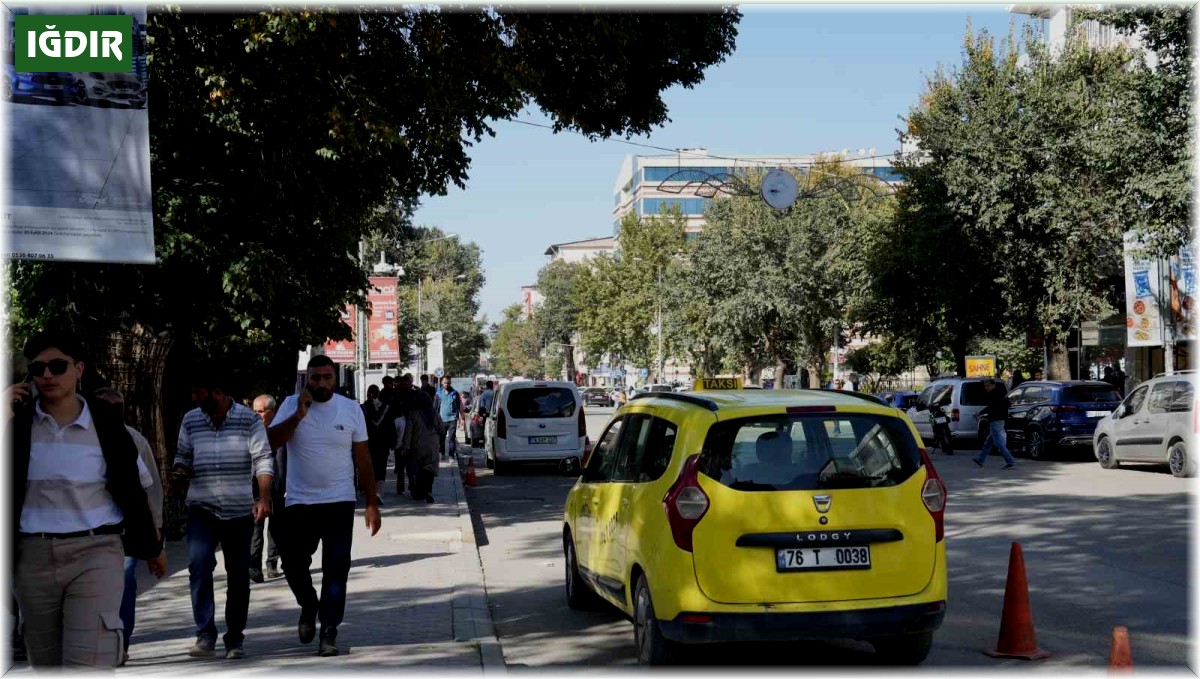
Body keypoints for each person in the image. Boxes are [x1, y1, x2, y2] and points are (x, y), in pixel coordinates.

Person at [6, 330, 163, 668]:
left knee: (88, 662)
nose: (47, 375)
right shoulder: (15, 426)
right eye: (38, 369)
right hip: (31, 557)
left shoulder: (106, 424)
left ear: (78, 369)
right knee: (46, 665)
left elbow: (134, 490)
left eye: (58, 366)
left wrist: (153, 547)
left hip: (96, 552)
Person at [267, 355, 381, 657]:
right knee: (292, 563)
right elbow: (271, 442)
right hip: (299, 502)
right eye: (314, 377)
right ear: (307, 379)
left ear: (335, 378)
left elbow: (363, 458)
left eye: (326, 377)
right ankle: (308, 605)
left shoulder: (350, 409)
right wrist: (298, 416)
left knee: (336, 570)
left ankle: (329, 631)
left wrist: (371, 502)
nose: (320, 383)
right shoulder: (291, 404)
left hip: (339, 502)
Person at [173, 368, 274, 660]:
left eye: (198, 392)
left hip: (239, 510)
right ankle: (205, 634)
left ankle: (235, 638)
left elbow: (263, 459)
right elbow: (183, 455)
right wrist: (180, 470)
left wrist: (264, 498)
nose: (193, 398)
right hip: (202, 508)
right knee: (199, 564)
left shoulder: (247, 420)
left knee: (238, 576)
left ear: (216, 392)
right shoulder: (191, 420)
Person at [94, 387, 164, 667]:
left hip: (125, 531)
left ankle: (120, 644)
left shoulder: (134, 440)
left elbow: (151, 489)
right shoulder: (80, 438)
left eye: (116, 407)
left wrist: (154, 538)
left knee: (124, 583)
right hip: (87, 532)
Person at [250, 394, 285, 583]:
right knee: (256, 526)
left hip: (278, 486)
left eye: (261, 411)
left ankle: (272, 563)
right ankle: (254, 566)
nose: (257, 415)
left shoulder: (281, 430)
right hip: (255, 487)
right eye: (254, 411)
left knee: (276, 526)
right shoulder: (250, 431)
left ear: (272, 412)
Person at [397, 385, 441, 503]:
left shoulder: (413, 415)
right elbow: (441, 429)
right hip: (433, 445)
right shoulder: (434, 414)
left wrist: (405, 447)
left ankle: (419, 492)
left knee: (419, 470)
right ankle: (428, 491)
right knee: (430, 470)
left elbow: (408, 433)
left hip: (418, 446)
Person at [973, 380, 1017, 470]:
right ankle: (980, 459)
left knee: (999, 443)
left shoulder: (994, 395)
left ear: (993, 385)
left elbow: (991, 408)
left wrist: (979, 413)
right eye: (985, 386)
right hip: (999, 419)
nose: (986, 388)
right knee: (989, 442)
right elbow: (1006, 405)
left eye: (988, 386)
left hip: (995, 420)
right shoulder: (1001, 393)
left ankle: (1010, 461)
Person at [361, 385, 395, 498]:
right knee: (381, 467)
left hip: (368, 442)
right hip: (382, 443)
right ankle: (379, 491)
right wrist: (392, 441)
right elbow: (391, 427)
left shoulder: (362, 408)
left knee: (370, 466)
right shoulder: (386, 408)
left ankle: (370, 490)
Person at [437, 376, 462, 460]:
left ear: (450, 383)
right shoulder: (438, 393)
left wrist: (461, 418)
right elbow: (435, 407)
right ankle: (442, 453)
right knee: (442, 438)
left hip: (452, 419)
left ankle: (451, 455)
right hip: (441, 419)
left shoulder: (454, 393)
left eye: (448, 383)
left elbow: (459, 406)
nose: (446, 384)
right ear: (441, 383)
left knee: (451, 438)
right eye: (445, 383)